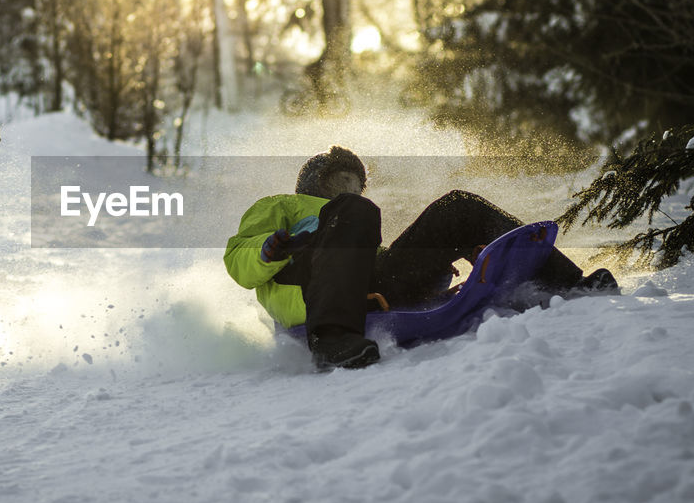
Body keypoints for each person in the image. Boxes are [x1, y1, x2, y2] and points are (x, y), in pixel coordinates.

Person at [224, 146, 617, 370]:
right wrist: (268, 250)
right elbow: (237, 257)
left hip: (368, 283)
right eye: (346, 182)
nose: (356, 190)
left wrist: (432, 272)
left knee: (459, 206)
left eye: (358, 185)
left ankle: (568, 284)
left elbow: (376, 261)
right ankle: (332, 341)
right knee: (356, 212)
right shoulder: (284, 205)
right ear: (318, 180)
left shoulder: (359, 219)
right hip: (311, 289)